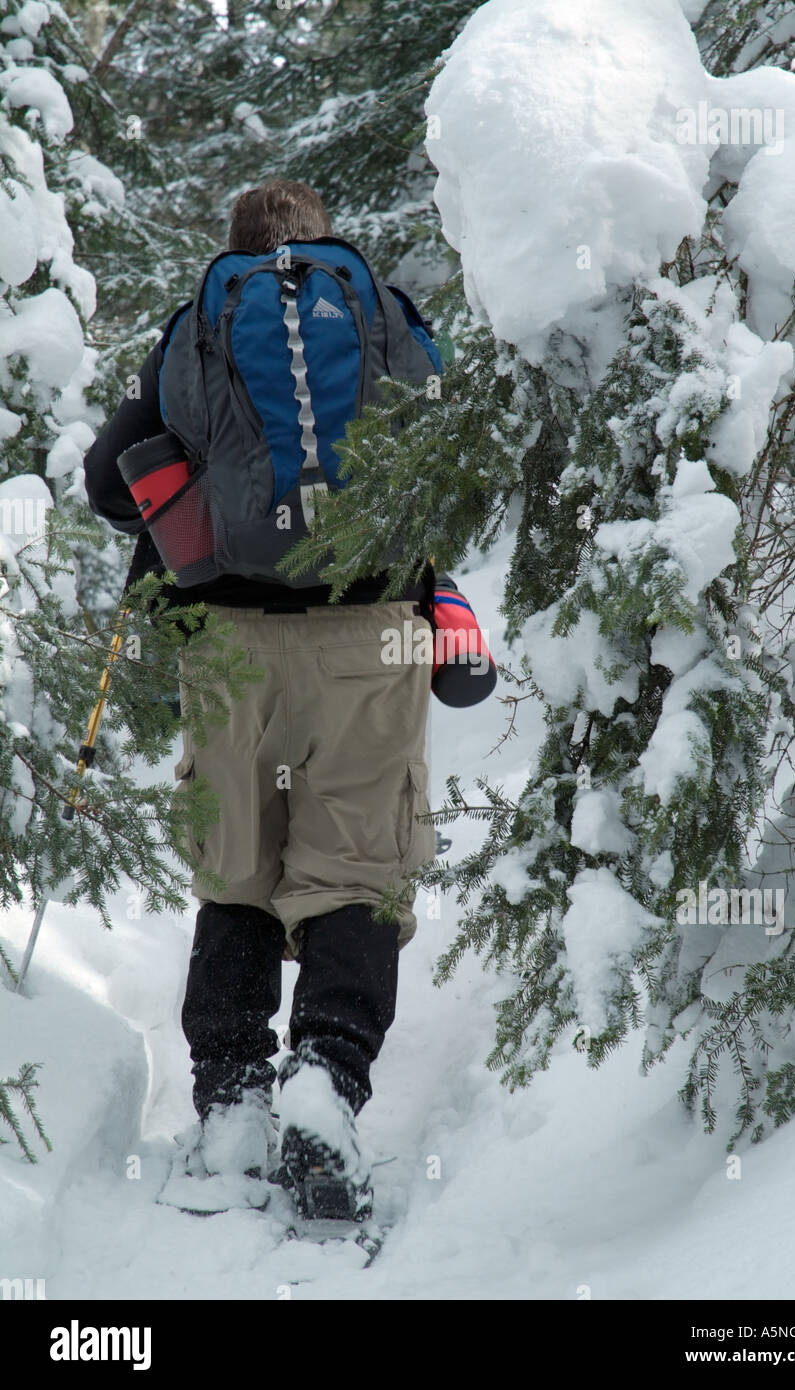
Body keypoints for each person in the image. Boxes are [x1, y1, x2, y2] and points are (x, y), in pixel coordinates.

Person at [83, 180, 440, 1221]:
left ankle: (233, 1104)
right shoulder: (376, 311)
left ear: (231, 248)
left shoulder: (199, 324)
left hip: (230, 642)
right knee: (356, 867)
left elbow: (113, 479)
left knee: (237, 868)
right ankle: (327, 1084)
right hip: (370, 634)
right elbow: (462, 444)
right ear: (327, 241)